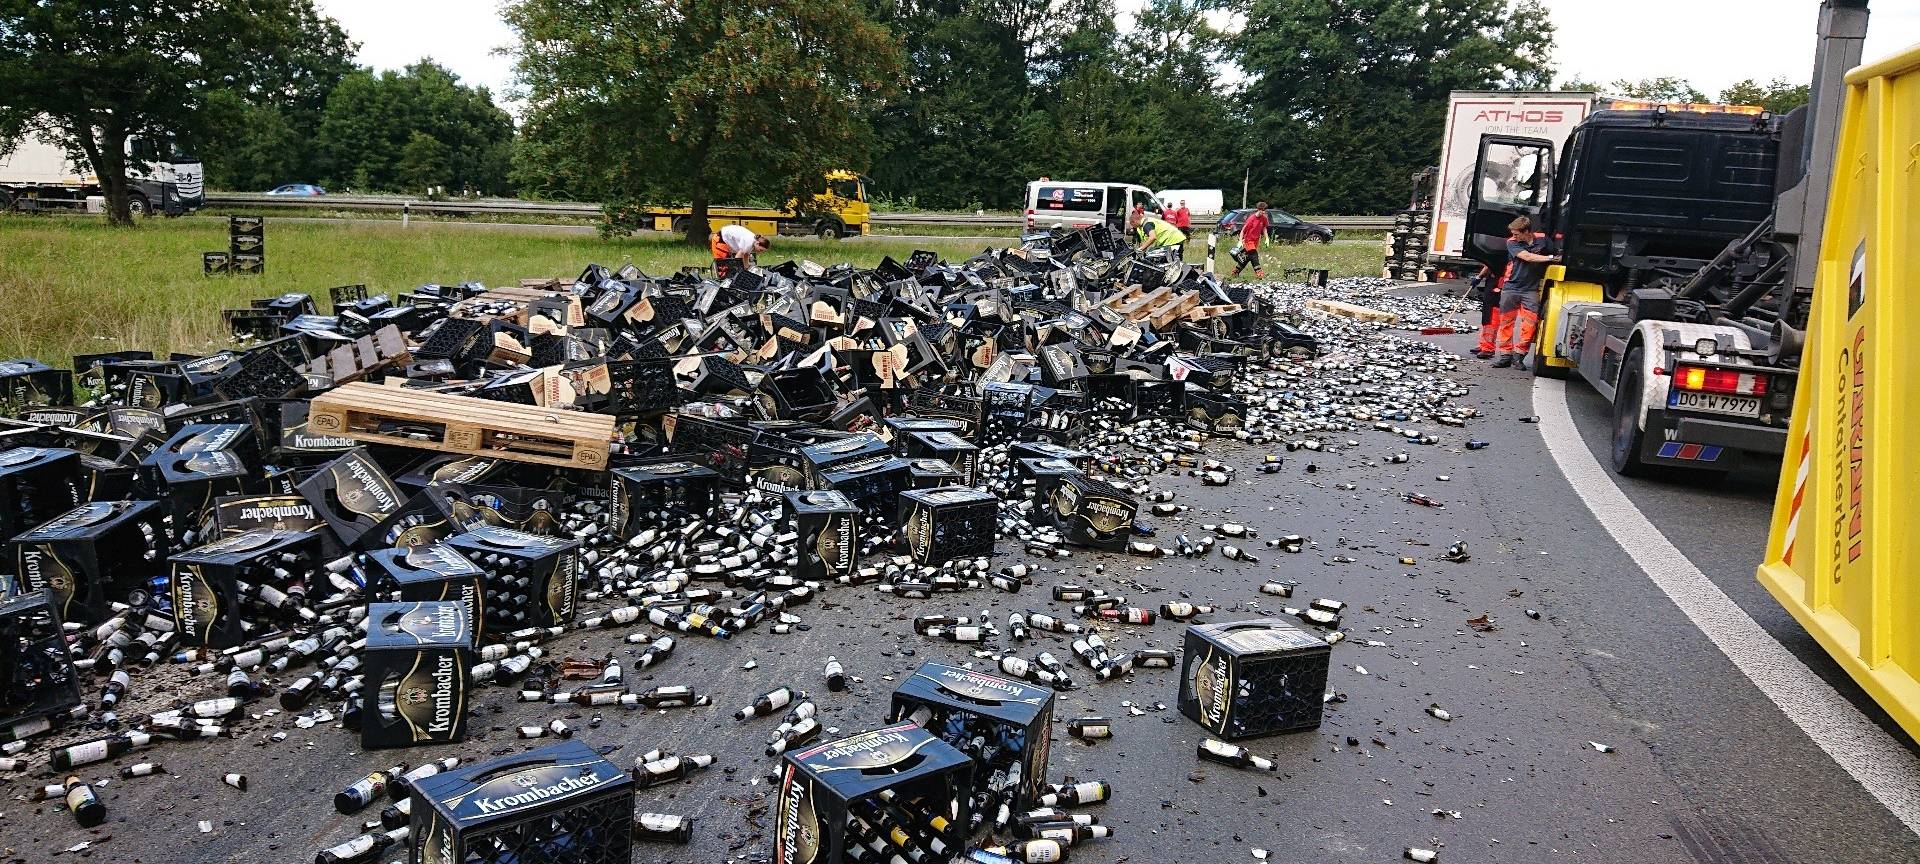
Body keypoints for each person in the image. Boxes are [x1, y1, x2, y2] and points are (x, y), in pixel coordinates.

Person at [1491, 215, 1560, 368]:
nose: (1513, 236)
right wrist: (1550, 258)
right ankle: (1505, 356)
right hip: (1511, 287)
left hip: (1530, 289)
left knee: (1530, 324)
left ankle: (1519, 356)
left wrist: (1554, 257)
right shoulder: (1512, 242)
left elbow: (1555, 252)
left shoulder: (1543, 239)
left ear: (1527, 231)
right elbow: (1527, 257)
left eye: (1516, 234)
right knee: (1506, 323)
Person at [1229, 201, 1271, 279]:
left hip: (1256, 242)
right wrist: (1240, 241)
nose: (1264, 212)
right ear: (1259, 209)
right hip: (1248, 240)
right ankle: (1259, 274)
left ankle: (1235, 272)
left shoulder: (1264, 218)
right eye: (1263, 210)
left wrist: (1267, 238)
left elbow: (1264, 228)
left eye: (1265, 210)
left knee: (1247, 257)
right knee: (1254, 255)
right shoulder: (1251, 219)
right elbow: (1243, 230)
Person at [1471, 264, 1500, 359]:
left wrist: (1479, 277)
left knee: (1491, 317)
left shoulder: (1502, 256)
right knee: (1487, 317)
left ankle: (1488, 348)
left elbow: (1489, 265)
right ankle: (1484, 345)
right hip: (1494, 283)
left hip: (1497, 285)